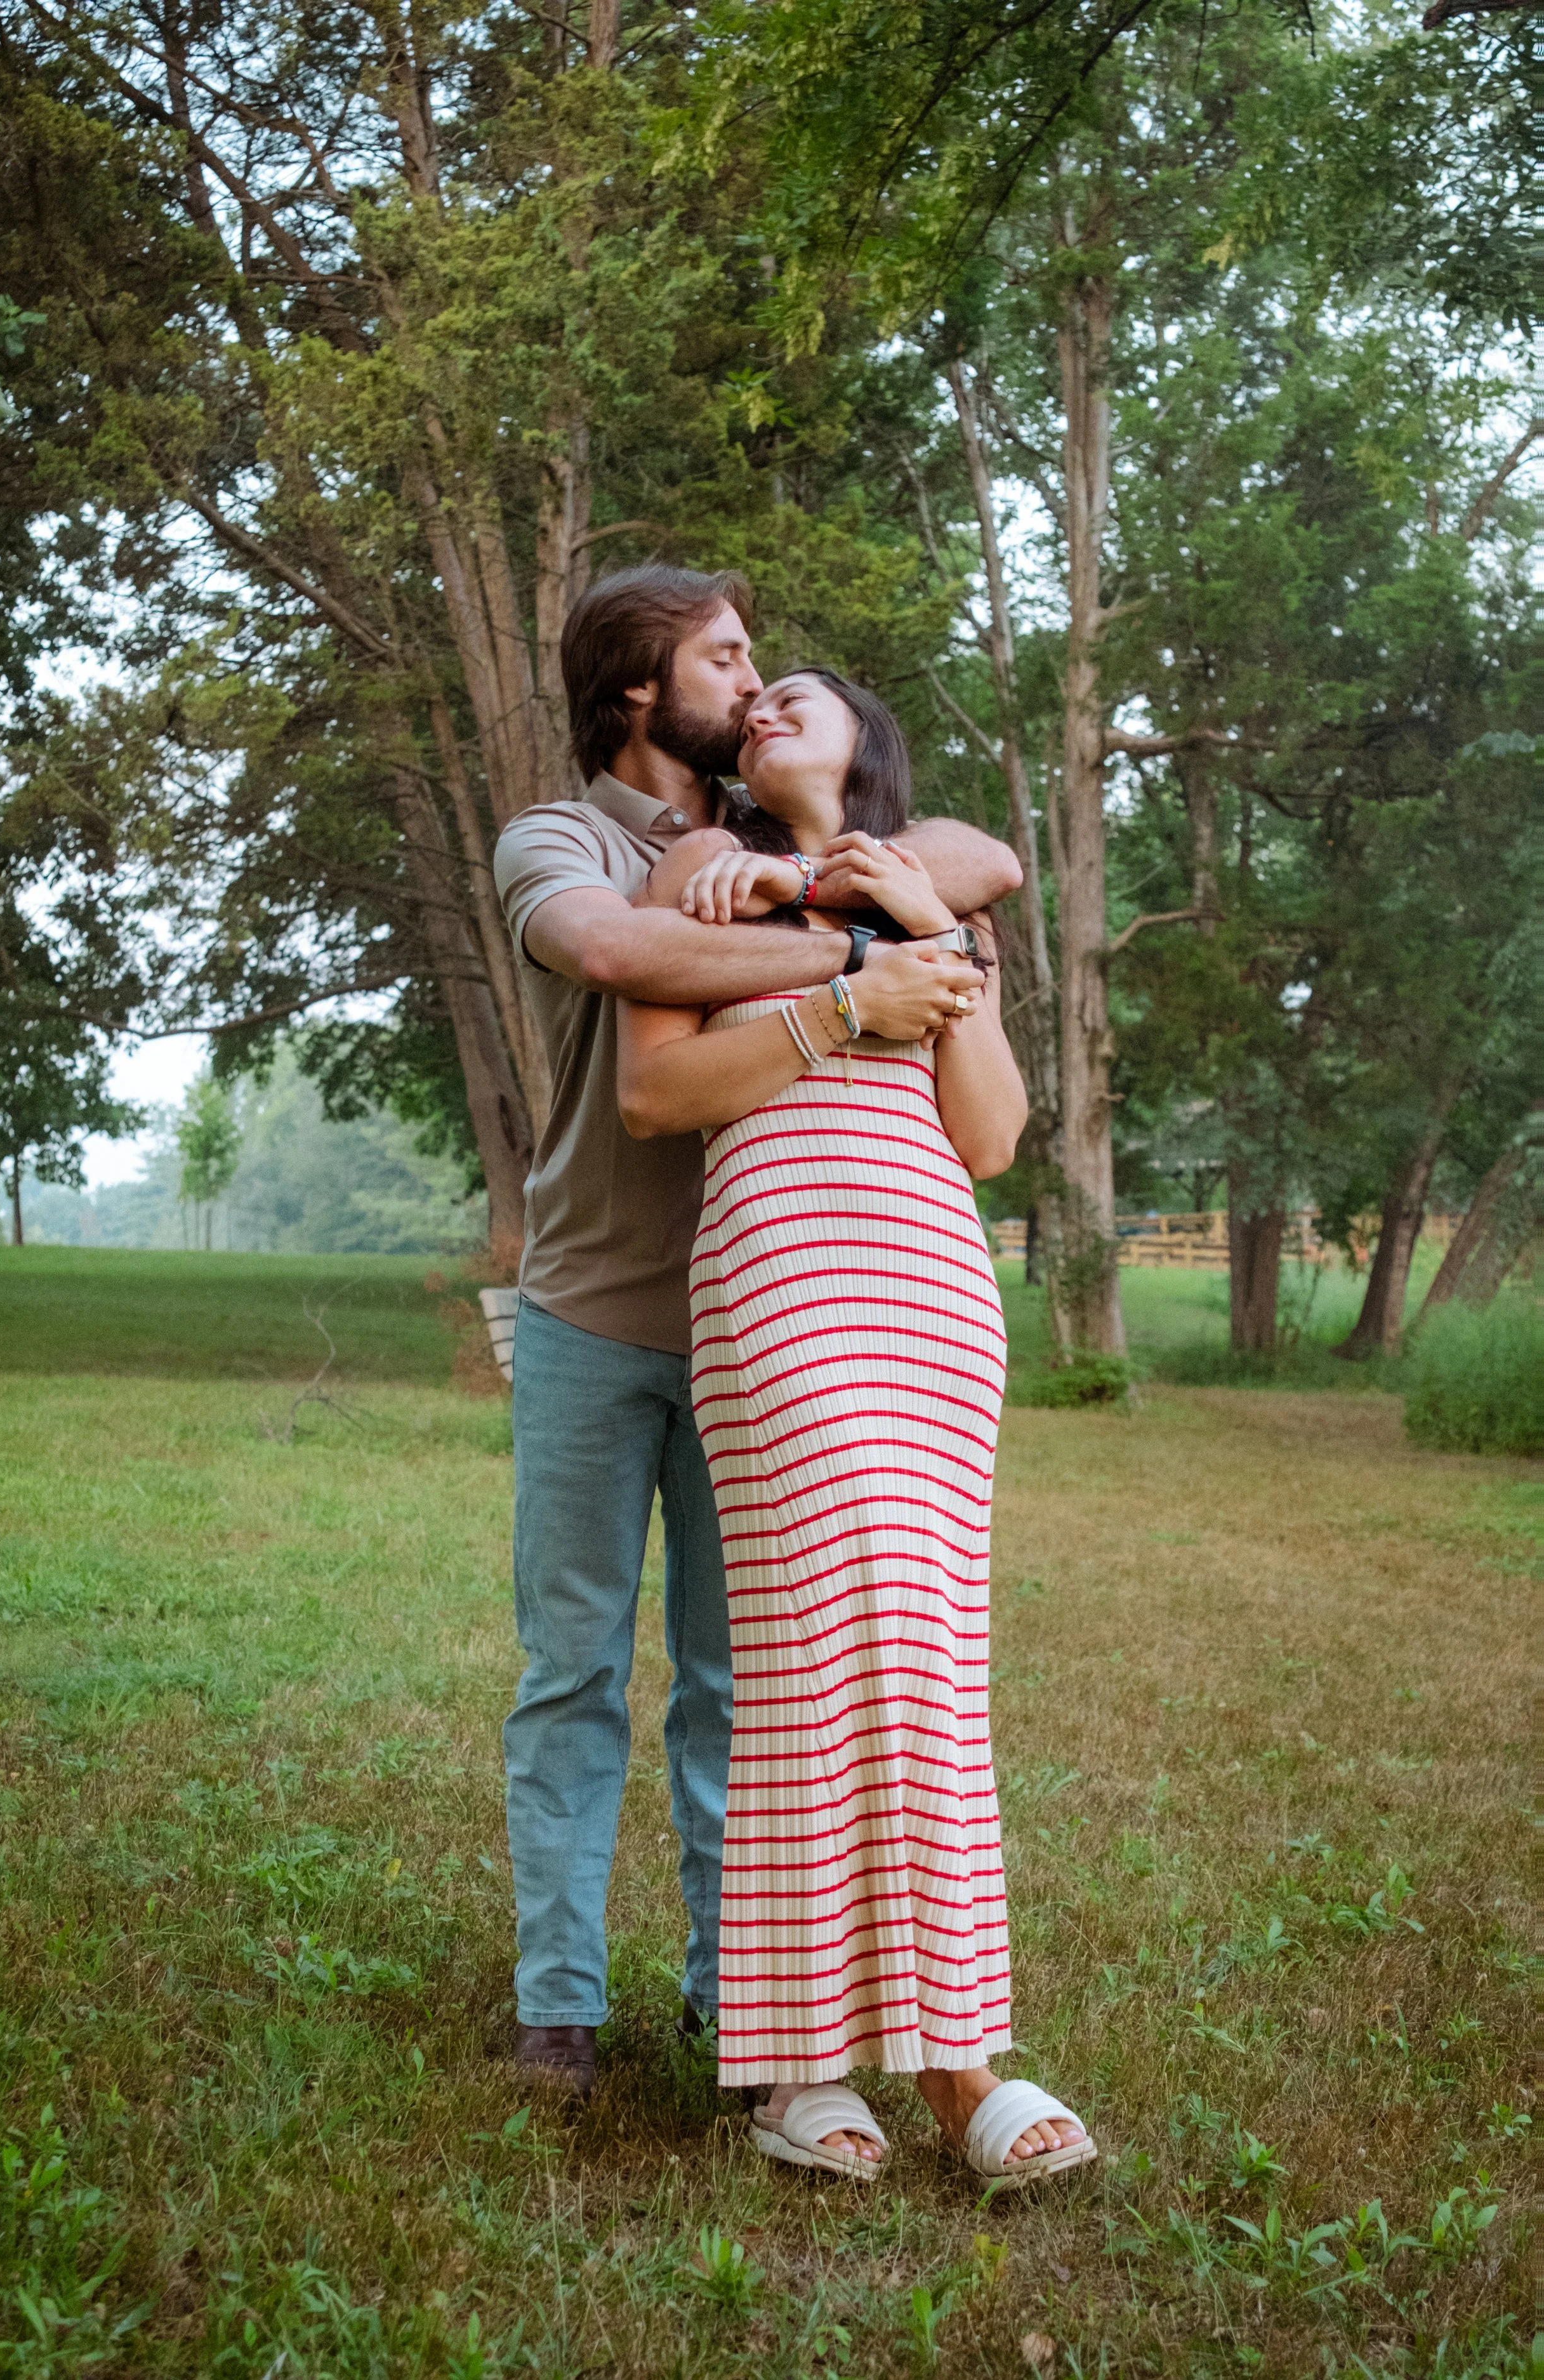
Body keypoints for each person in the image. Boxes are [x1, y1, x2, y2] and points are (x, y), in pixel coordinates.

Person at [491, 566, 1022, 2097]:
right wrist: (858, 955)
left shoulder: (802, 848)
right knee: (574, 1668)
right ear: (643, 689)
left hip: (798, 1315)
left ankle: (750, 2004)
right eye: (725, 657)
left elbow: (978, 854)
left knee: (749, 1681)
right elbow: (620, 958)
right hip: (600, 1308)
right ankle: (558, 2007)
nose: (755, 675)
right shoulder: (569, 840)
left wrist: (829, 880)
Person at [616, 666, 1097, 2188]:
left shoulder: (930, 891)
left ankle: (927, 2059)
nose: (765, 707)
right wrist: (837, 999)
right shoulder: (695, 877)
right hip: (780, 1271)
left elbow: (992, 1133)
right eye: (751, 700)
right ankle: (843, 2069)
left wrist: (931, 935)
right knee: (838, 1638)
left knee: (928, 1659)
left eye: (801, 698)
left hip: (933, 1293)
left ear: (866, 748)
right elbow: (656, 1092)